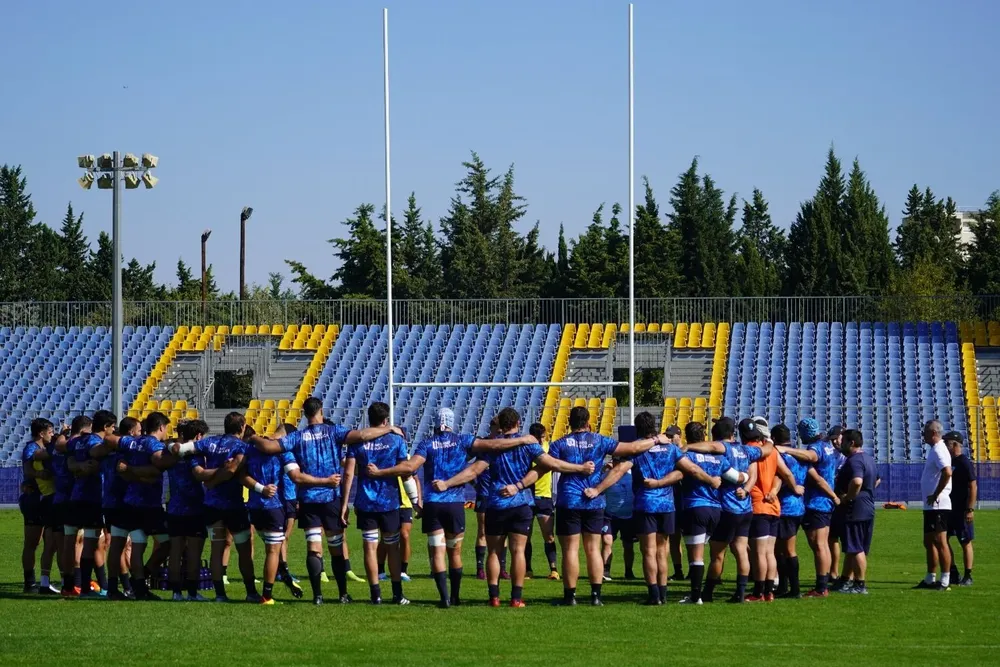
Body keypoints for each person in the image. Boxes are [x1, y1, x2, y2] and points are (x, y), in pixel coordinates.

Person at [366, 407, 538, 607]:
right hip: (455, 503)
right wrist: (522, 440)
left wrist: (381, 472)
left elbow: (410, 468)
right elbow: (493, 444)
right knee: (455, 553)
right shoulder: (463, 440)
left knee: (437, 552)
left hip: (433, 504)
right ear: (451, 422)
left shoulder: (427, 443)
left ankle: (445, 598)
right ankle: (456, 596)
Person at [248, 397, 400, 606]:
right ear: (321, 410)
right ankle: (342, 594)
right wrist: (389, 428)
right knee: (336, 547)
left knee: (314, 548)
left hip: (308, 500)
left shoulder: (297, 437)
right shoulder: (334, 431)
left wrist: (253, 437)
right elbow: (363, 435)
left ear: (305, 414)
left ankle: (317, 596)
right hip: (330, 498)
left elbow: (268, 447)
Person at [438, 407, 589, 607]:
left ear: (501, 425)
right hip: (520, 502)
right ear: (518, 423)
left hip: (496, 503)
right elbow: (552, 464)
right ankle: (516, 598)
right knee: (518, 552)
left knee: (494, 552)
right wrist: (580, 468)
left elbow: (473, 470)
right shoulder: (528, 444)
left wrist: (447, 483)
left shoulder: (494, 447)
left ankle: (494, 597)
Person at [547, 406, 671, 606]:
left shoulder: (559, 443)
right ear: (589, 422)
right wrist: (657, 439)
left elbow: (550, 464)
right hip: (594, 501)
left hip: (569, 500)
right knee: (593, 550)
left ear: (569, 423)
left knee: (570, 550)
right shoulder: (600, 440)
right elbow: (632, 449)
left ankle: (570, 597)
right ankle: (596, 596)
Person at [686, 417, 777, 603]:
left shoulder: (723, 448)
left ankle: (708, 592)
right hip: (746, 508)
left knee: (717, 554)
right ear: (732, 433)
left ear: (716, 435)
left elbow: (712, 447)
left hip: (727, 508)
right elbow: (764, 453)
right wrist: (769, 439)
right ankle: (740, 593)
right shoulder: (746, 450)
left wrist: (687, 447)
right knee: (741, 550)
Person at [341, 402, 415, 605]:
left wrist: (344, 505)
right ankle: (397, 594)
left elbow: (348, 474)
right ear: (385, 419)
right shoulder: (396, 440)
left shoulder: (358, 443)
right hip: (389, 501)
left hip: (365, 502)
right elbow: (404, 470)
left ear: (369, 418)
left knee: (370, 548)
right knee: (392, 547)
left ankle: (376, 595)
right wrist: (415, 499)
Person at [95, 411, 172, 601]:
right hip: (147, 504)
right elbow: (157, 468)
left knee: (122, 545)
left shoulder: (131, 442)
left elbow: (110, 440)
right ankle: (141, 581)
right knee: (165, 544)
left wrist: (129, 470)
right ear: (161, 427)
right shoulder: (153, 444)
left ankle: (116, 588)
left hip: (127, 502)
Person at [676, 421, 746, 605]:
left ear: (687, 437)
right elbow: (737, 477)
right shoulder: (719, 458)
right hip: (717, 510)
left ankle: (696, 597)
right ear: (704, 437)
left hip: (695, 507)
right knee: (714, 554)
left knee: (696, 556)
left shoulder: (686, 455)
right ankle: (705, 592)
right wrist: (748, 477)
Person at [242, 422, 306, 604]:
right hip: (274, 506)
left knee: (265, 546)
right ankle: (267, 595)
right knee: (273, 550)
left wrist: (259, 488)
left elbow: (241, 475)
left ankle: (279, 574)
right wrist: (324, 481)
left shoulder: (251, 448)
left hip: (254, 507)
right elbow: (295, 476)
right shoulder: (283, 450)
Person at [778, 418, 840, 597]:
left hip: (817, 502)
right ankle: (823, 583)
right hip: (825, 502)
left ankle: (821, 587)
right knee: (823, 544)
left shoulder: (816, 448)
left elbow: (813, 464)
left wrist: (786, 449)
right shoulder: (827, 446)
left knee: (818, 544)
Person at [748, 417, 800, 602]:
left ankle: (759, 592)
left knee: (759, 553)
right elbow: (785, 474)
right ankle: (769, 591)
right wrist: (793, 488)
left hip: (758, 505)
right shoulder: (773, 452)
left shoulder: (751, 451)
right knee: (770, 552)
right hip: (774, 506)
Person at [69, 410, 117, 598]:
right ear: (105, 427)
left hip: (79, 495)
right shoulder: (94, 441)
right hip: (93, 497)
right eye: (112, 427)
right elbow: (96, 451)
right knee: (91, 542)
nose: (113, 431)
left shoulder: (79, 441)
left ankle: (85, 585)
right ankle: (85, 587)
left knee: (90, 541)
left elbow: (68, 452)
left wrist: (76, 466)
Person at [163, 419, 211, 602]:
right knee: (194, 552)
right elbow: (200, 476)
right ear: (198, 436)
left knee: (175, 551)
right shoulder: (195, 455)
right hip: (194, 508)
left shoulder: (171, 452)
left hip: (174, 507)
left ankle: (176, 592)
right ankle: (192, 592)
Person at [19, 418, 60, 595]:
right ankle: (29, 582)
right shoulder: (31, 448)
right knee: (32, 542)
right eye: (50, 432)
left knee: (50, 541)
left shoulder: (48, 448)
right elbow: (28, 470)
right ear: (41, 433)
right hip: (34, 499)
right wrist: (38, 474)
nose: (52, 434)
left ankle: (45, 581)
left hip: (47, 498)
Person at [101, 416, 139, 599]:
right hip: (123, 503)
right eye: (139, 431)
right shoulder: (126, 451)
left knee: (118, 545)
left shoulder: (108, 450)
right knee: (128, 544)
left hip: (110, 502)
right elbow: (124, 472)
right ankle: (135, 584)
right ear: (131, 432)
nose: (140, 435)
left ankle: (117, 587)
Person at [835, 429, 877, 595]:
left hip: (855, 509)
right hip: (867, 507)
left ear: (851, 443)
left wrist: (849, 497)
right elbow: (877, 479)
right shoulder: (868, 458)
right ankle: (845, 580)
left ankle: (860, 584)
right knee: (854, 546)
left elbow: (857, 481)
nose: (841, 444)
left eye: (844, 441)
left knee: (856, 548)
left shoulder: (854, 460)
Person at [917, 420, 953, 590]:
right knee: (929, 541)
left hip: (939, 504)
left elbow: (947, 472)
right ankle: (930, 578)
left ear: (933, 433)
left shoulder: (939, 449)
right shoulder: (935, 449)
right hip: (931, 505)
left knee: (940, 540)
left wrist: (937, 493)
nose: (923, 434)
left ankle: (945, 579)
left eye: (925, 431)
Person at [774, 424, 808, 598]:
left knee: (787, 550)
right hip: (798, 505)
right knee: (780, 549)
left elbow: (783, 476)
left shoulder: (781, 456)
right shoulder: (799, 454)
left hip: (786, 506)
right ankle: (784, 586)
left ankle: (794, 589)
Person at [525, 422, 559, 581]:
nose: (541, 440)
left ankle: (554, 569)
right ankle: (528, 569)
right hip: (527, 497)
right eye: (539, 437)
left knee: (549, 536)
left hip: (544, 497)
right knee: (525, 536)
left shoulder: (549, 449)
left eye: (543, 437)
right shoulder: (526, 450)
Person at [54, 417, 83, 596]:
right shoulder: (74, 446)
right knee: (77, 542)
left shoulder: (58, 447)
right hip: (73, 498)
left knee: (66, 543)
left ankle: (67, 584)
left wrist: (63, 433)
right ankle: (77, 584)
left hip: (59, 498)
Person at [944, 431, 975, 586]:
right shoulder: (950, 461)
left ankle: (968, 575)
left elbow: (973, 486)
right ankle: (953, 572)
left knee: (965, 541)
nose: (945, 446)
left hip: (962, 510)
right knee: (943, 539)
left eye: (947, 443)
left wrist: (970, 509)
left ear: (955, 444)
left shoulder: (964, 462)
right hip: (949, 508)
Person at [601, 457, 635, 582]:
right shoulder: (606, 476)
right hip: (610, 515)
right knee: (607, 541)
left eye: (621, 461)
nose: (618, 463)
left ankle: (628, 571)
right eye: (615, 460)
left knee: (628, 545)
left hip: (629, 516)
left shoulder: (632, 475)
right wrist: (603, 469)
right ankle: (605, 570)